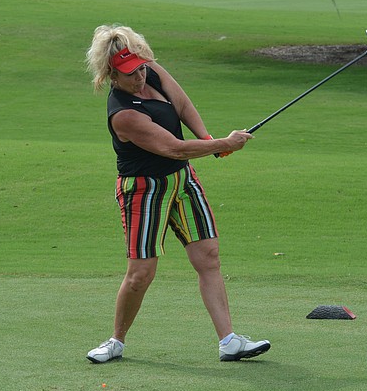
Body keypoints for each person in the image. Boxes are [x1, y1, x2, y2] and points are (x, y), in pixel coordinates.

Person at [84, 24, 271, 363]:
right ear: (112, 74)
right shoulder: (123, 114)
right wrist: (222, 144)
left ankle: (229, 340)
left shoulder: (149, 69)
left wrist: (211, 141)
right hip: (143, 190)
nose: (139, 75)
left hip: (182, 180)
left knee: (208, 256)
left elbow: (182, 105)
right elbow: (173, 148)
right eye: (129, 73)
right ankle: (116, 341)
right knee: (141, 273)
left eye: (141, 66)